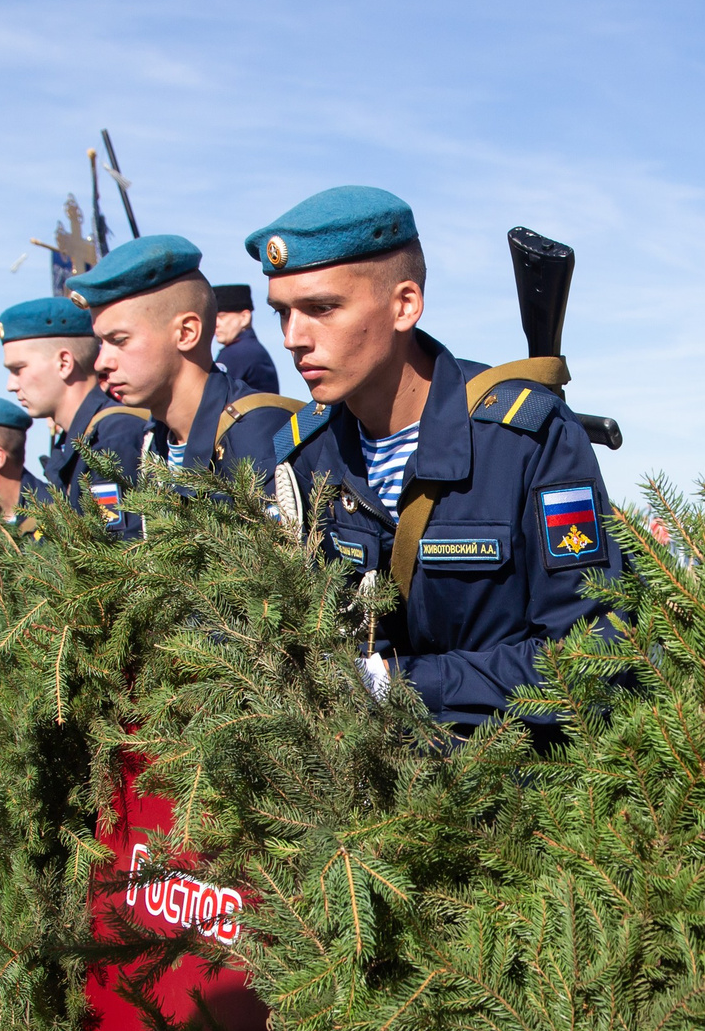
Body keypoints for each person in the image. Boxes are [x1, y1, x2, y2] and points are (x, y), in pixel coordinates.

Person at [250, 185, 620, 730]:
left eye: (322, 308)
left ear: (405, 305)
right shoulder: (306, 452)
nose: (292, 338)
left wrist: (398, 684)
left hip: (509, 793)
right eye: (283, 313)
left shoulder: (525, 440)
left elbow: (594, 658)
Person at [62, 234, 299, 518]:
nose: (101, 363)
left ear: (186, 333)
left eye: (120, 340)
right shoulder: (156, 440)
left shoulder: (254, 439)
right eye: (102, 344)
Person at [0, 296, 134, 527]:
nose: (11, 385)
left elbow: (119, 553)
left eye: (18, 369)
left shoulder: (111, 437)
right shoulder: (76, 440)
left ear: (64, 363)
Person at [213, 282, 282, 398]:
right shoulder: (252, 349)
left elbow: (212, 397)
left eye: (221, 317)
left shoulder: (237, 352)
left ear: (244, 317)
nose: (215, 324)